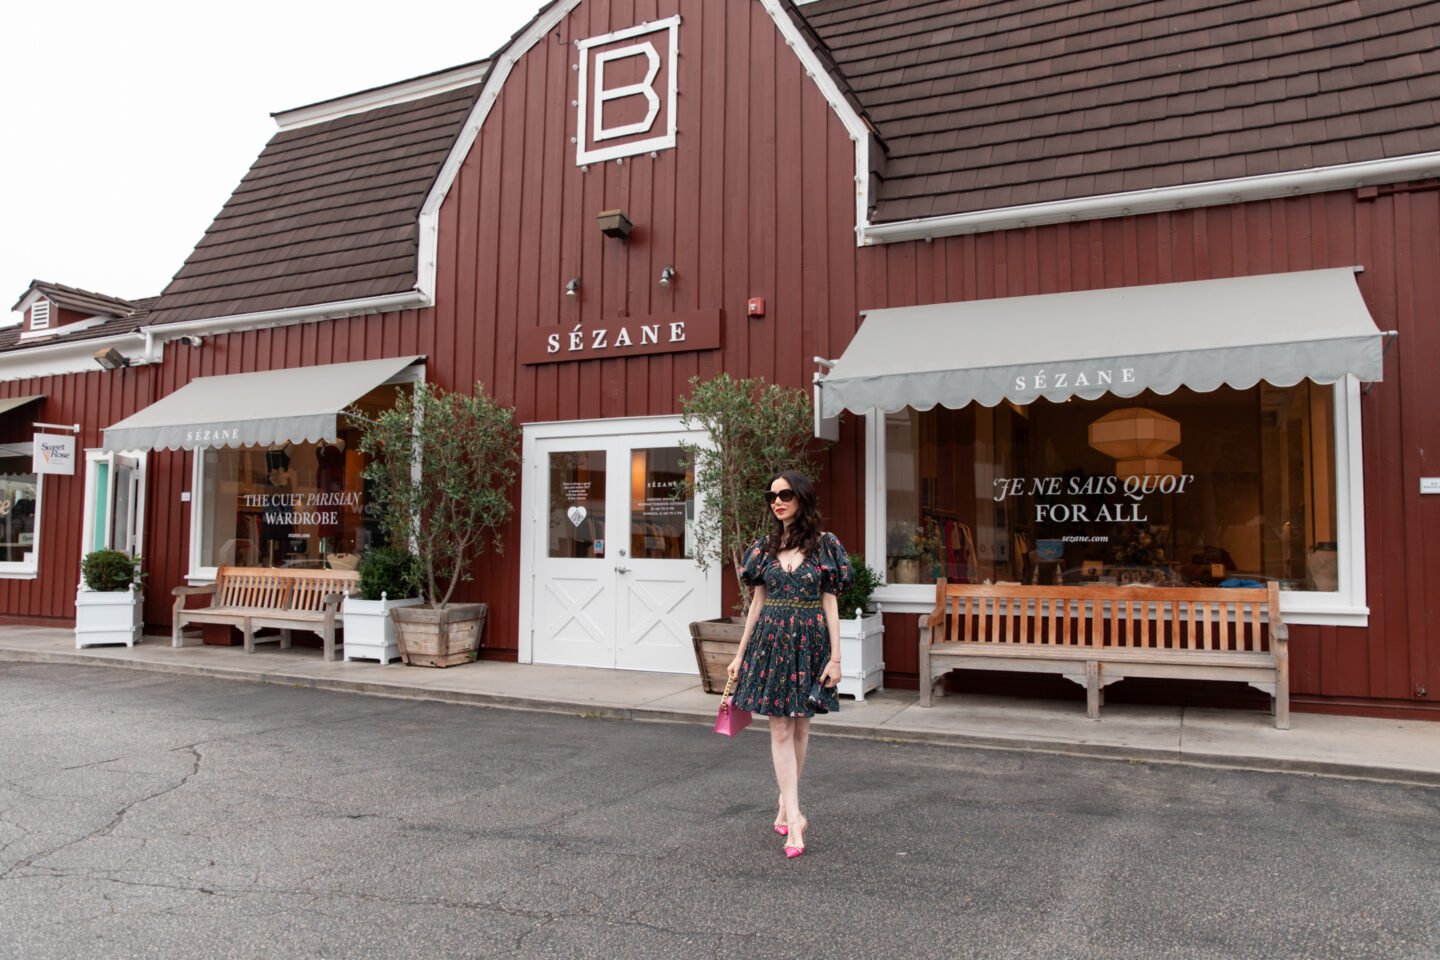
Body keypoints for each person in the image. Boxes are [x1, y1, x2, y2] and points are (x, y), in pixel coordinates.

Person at [726, 470, 852, 859]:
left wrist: (836, 657)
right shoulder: (763, 548)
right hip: (771, 644)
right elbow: (757, 605)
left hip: (810, 644)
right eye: (771, 496)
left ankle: (785, 801)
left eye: (784, 494)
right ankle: (794, 819)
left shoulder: (826, 546)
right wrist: (739, 654)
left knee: (799, 728)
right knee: (780, 729)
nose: (776, 501)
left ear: (802, 498)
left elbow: (831, 603)